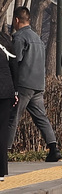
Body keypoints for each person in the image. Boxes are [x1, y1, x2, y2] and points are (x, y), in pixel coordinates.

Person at [4, 7, 60, 162]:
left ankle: (5, 151)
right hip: (38, 84)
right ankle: (53, 147)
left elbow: (15, 61)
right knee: (41, 117)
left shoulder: (19, 37)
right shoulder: (37, 38)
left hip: (23, 84)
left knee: (12, 117)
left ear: (16, 20)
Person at [0, 28, 18, 180]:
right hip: (6, 91)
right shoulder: (6, 41)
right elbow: (14, 68)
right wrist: (16, 91)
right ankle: (1, 170)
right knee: (2, 130)